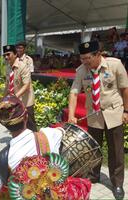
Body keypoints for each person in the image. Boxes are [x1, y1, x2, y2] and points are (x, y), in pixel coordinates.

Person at [0, 95, 91, 200]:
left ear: (4, 124)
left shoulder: (3, 159)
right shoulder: (49, 135)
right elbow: (62, 130)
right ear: (26, 116)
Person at [68, 40, 128, 200]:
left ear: (98, 54)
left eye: (88, 58)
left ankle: (117, 183)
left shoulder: (114, 65)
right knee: (93, 149)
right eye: (82, 58)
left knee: (116, 151)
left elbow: (124, 89)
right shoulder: (81, 70)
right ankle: (93, 175)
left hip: (113, 114)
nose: (85, 62)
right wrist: (71, 115)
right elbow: (74, 92)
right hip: (94, 116)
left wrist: (126, 111)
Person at [3, 44, 37, 132]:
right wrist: (3, 98)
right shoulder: (8, 68)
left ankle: (36, 141)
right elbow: (7, 85)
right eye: (4, 55)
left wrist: (15, 97)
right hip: (16, 101)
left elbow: (26, 85)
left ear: (15, 54)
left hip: (26, 100)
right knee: (19, 124)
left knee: (30, 124)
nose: (6, 57)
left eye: (8, 54)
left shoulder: (23, 66)